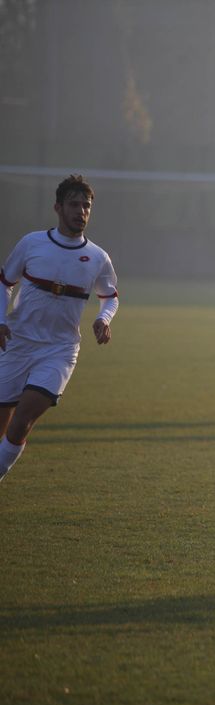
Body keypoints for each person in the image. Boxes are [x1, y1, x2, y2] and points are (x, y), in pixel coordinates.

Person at [0, 174, 119, 482]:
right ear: (58, 207)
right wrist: (0, 321)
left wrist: (103, 319)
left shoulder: (97, 257)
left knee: (22, 421)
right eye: (74, 204)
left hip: (59, 350)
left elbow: (111, 299)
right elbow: (5, 283)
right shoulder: (32, 243)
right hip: (17, 343)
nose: (81, 211)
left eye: (86, 206)